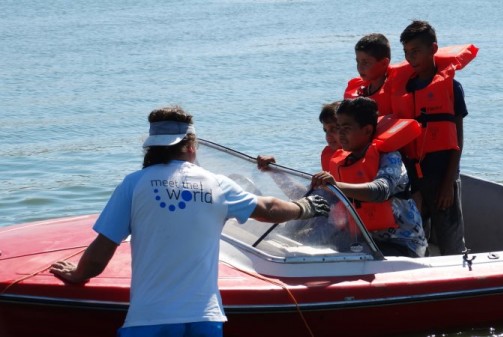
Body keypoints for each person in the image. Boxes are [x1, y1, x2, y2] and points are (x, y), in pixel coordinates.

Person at [49, 106, 329, 337]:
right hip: (204, 319)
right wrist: (304, 207)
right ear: (192, 145)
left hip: (149, 320)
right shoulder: (216, 183)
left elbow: (103, 249)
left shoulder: (134, 184)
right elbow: (268, 208)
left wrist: (79, 274)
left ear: (151, 148)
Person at [311, 97, 427, 257]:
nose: (340, 133)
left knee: (338, 259)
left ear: (367, 130)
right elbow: (322, 198)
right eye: (338, 128)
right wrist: (273, 172)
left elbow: (380, 190)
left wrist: (337, 186)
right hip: (367, 240)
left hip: (402, 245)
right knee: (313, 247)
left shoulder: (390, 158)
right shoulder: (345, 160)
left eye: (346, 128)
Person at [390, 20, 468, 255]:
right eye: (406, 53)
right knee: (414, 233)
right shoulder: (406, 88)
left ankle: (458, 279)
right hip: (413, 175)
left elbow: (457, 139)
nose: (411, 58)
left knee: (449, 236)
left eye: (416, 51)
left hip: (442, 173)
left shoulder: (452, 88)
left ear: (433, 49)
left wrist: (448, 184)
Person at [257, 101, 341, 173]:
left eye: (334, 129)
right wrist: (273, 169)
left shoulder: (353, 160)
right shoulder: (329, 155)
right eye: (325, 130)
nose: (328, 136)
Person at [344, 33, 394, 115]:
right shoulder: (358, 90)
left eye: (365, 62)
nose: (359, 67)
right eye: (357, 62)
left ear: (384, 63)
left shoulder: (394, 92)